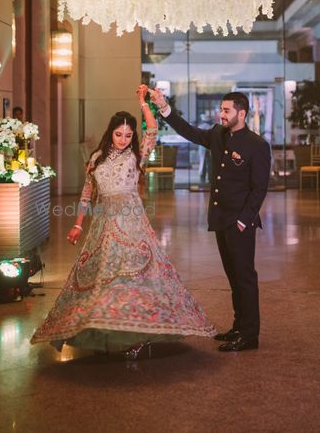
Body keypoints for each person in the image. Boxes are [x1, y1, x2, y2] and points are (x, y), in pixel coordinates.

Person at [31, 85, 215, 358]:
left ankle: (137, 335)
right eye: (119, 134)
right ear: (110, 133)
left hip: (132, 223)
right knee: (104, 275)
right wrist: (78, 224)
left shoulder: (135, 156)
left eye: (129, 135)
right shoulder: (95, 159)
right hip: (103, 224)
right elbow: (86, 193)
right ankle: (104, 330)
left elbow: (151, 130)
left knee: (133, 276)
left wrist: (143, 103)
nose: (124, 139)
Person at [150, 89, 271, 352]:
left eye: (227, 110)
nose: (222, 114)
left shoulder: (257, 145)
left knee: (245, 277)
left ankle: (250, 335)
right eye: (222, 110)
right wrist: (164, 108)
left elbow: (259, 188)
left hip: (240, 222)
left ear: (242, 113)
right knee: (233, 276)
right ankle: (239, 327)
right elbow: (190, 132)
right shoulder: (218, 134)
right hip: (221, 219)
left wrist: (244, 220)